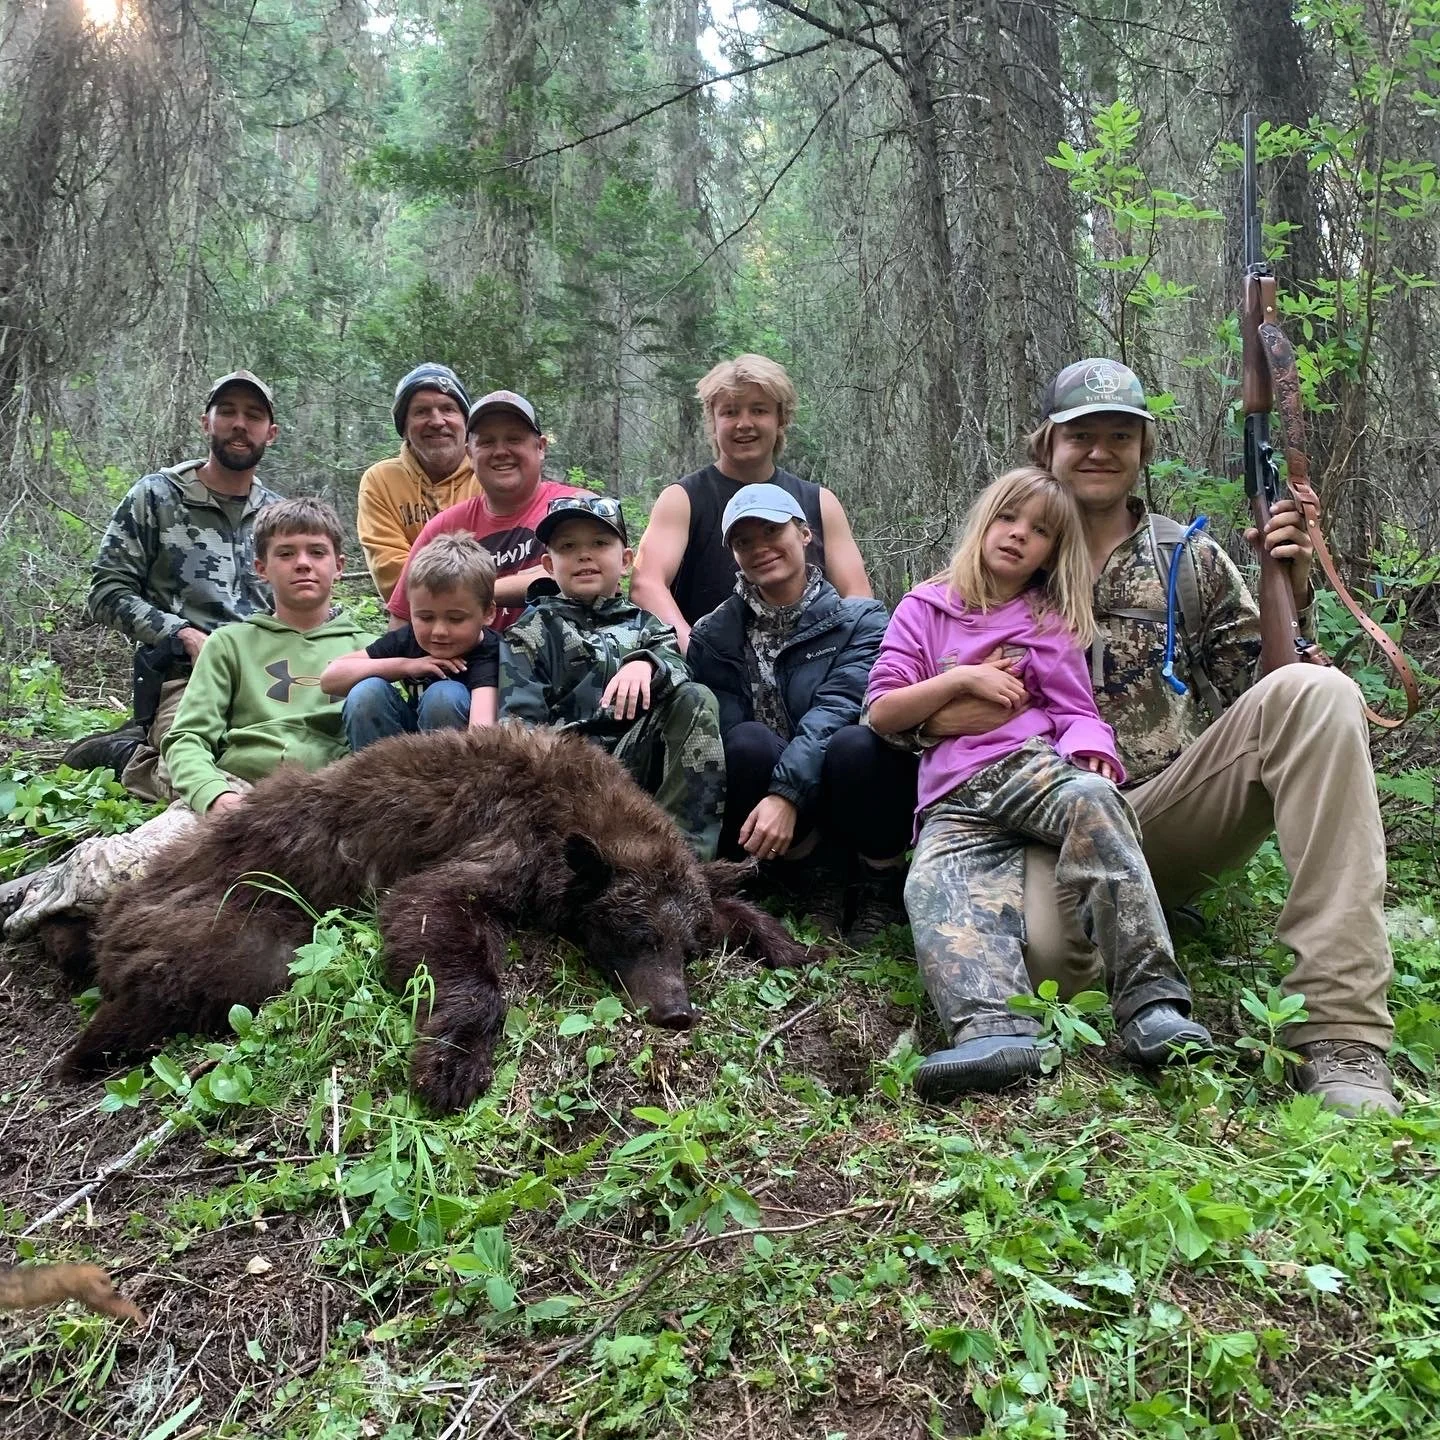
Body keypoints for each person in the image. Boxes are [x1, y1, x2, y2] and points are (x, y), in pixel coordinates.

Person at [917, 357, 1401, 1116]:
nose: (1099, 451)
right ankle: (1126, 936)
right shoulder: (997, 562)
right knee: (1050, 975)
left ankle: (1340, 1029)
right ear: (1047, 445)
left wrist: (1294, 588)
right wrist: (941, 711)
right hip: (1036, 823)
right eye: (1081, 435)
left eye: (1120, 435)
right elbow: (906, 702)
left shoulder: (1187, 558)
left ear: (1144, 448)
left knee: (1320, 694)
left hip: (1162, 807)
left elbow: (1262, 696)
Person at [868, 467, 1211, 1096]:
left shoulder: (1046, 620)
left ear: (1053, 552)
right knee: (932, 887)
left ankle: (1151, 1002)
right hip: (951, 796)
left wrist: (1091, 749)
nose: (1019, 535)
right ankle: (994, 1032)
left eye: (1041, 531)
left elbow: (1076, 711)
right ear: (983, 522)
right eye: (1008, 518)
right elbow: (883, 710)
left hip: (1027, 769)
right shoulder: (923, 607)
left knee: (1093, 800)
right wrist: (963, 679)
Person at [1, 499, 370, 941]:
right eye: (286, 553)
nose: (303, 564)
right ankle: (28, 897)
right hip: (239, 793)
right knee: (115, 871)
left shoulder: (370, 648)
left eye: (317, 552)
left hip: (322, 806)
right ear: (260, 568)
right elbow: (187, 737)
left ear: (339, 566)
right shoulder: (230, 644)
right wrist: (215, 796)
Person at [687, 484, 915, 942]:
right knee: (745, 741)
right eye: (744, 541)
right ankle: (815, 874)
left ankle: (879, 881)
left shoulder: (862, 620)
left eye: (772, 531)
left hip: (846, 786)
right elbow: (726, 727)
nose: (760, 548)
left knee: (858, 742)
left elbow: (838, 708)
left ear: (804, 533)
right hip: (779, 812)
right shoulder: (713, 634)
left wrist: (786, 795)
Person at [62, 370, 283, 799]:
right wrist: (182, 634)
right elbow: (106, 591)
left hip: (265, 676)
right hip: (185, 676)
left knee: (287, 759)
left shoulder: (278, 514)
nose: (240, 424)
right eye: (228, 412)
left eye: (254, 415)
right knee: (202, 773)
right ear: (206, 423)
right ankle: (130, 757)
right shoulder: (157, 497)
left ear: (270, 433)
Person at [499, 494, 725, 862]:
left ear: (625, 560)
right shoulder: (531, 632)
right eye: (568, 547)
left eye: (600, 543)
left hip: (635, 757)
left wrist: (647, 663)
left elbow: (679, 665)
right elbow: (517, 725)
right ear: (549, 565)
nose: (584, 555)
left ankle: (682, 860)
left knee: (696, 698)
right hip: (567, 774)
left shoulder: (647, 625)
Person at [631, 354, 873, 651]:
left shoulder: (820, 503)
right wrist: (695, 653)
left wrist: (841, 660)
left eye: (758, 410)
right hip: (713, 670)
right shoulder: (683, 499)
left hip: (815, 670)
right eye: (730, 412)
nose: (744, 424)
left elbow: (857, 596)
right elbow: (646, 585)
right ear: (713, 422)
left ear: (780, 418)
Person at [387, 390, 585, 633]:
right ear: (470, 454)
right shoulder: (443, 528)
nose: (500, 451)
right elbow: (402, 619)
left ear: (540, 447)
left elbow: (586, 574)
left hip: (566, 653)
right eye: (487, 442)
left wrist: (467, 592)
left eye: (514, 439)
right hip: (465, 656)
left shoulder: (576, 506)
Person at [322, 534, 499, 749]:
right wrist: (409, 665)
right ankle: (374, 770)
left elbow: (482, 734)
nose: (439, 631)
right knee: (366, 692)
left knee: (444, 695)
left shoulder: (489, 652)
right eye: (425, 617)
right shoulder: (408, 638)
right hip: (400, 749)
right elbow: (330, 679)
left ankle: (439, 773)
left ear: (488, 613)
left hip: (459, 757)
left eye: (455, 619)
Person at [357, 363, 481, 601]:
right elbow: (391, 574)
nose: (437, 421)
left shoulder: (486, 474)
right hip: (416, 618)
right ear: (404, 427)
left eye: (448, 409)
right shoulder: (382, 481)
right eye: (421, 411)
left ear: (466, 422)